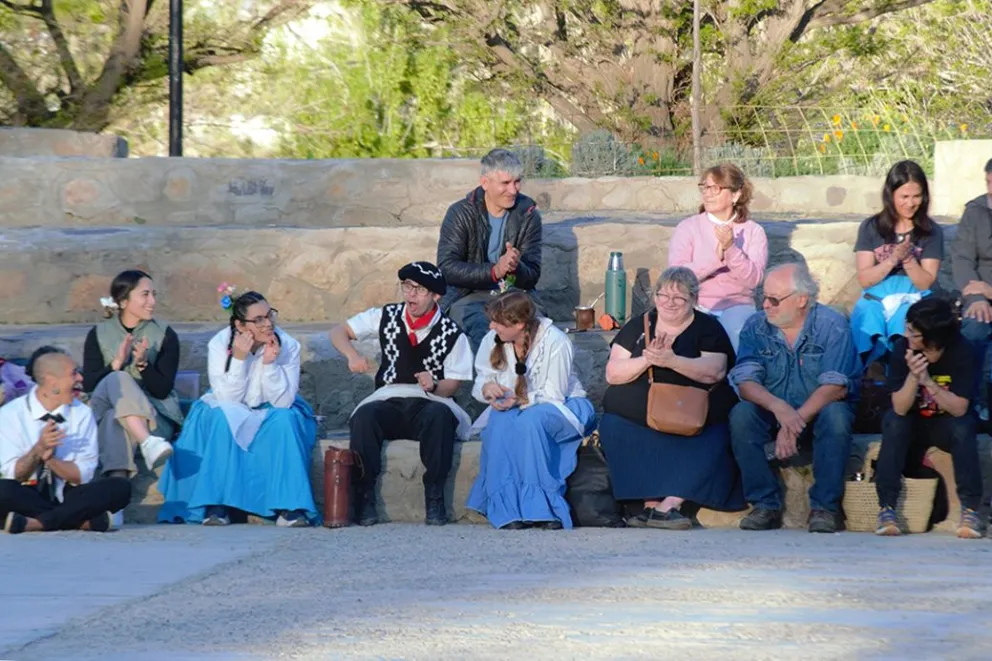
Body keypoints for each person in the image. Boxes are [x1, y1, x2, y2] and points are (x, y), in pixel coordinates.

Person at [598, 267, 745, 530]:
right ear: (654, 297)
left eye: (679, 298)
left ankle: (671, 504)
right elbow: (613, 373)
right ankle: (649, 505)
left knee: (718, 437)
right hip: (637, 415)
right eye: (663, 296)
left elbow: (715, 371)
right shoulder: (638, 326)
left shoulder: (708, 328)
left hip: (695, 415)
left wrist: (672, 361)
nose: (670, 303)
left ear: (694, 300)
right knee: (615, 425)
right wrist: (648, 359)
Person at [330, 261, 474, 526]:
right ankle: (365, 498)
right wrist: (352, 355)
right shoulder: (386, 316)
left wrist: (434, 385)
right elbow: (339, 332)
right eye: (407, 287)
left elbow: (453, 385)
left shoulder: (452, 333)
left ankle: (434, 498)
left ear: (435, 296)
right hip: (389, 397)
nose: (410, 295)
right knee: (364, 416)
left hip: (430, 400)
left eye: (419, 290)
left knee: (440, 416)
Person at [158, 291, 318, 527]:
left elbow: (283, 401)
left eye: (269, 315)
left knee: (285, 420)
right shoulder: (219, 344)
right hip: (229, 402)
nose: (268, 324)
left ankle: (289, 507)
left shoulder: (288, 345)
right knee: (222, 419)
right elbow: (227, 398)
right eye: (259, 320)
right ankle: (217, 504)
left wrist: (269, 365)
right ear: (240, 325)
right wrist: (240, 359)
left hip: (271, 407)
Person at [728, 262, 860, 533]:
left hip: (816, 412)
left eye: (774, 299)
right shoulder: (756, 326)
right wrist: (780, 409)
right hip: (775, 411)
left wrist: (795, 420)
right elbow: (744, 381)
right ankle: (765, 504)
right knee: (741, 415)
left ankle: (825, 507)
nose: (766, 304)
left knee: (837, 415)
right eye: (763, 297)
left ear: (802, 300)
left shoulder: (831, 325)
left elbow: (835, 386)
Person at [467, 291, 595, 530]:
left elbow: (554, 395)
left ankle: (542, 507)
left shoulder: (556, 342)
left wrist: (520, 400)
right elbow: (481, 380)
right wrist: (488, 389)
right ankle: (507, 508)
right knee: (500, 422)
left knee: (530, 422)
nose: (492, 325)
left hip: (564, 407)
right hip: (516, 405)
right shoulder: (492, 339)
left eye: (498, 321)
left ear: (519, 324)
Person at [874, 297, 984, 538]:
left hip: (946, 423)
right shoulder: (904, 348)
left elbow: (960, 408)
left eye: (913, 332)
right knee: (894, 422)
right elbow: (900, 407)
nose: (906, 335)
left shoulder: (961, 351)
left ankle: (970, 509)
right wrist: (914, 376)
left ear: (932, 339)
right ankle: (887, 508)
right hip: (912, 424)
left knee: (963, 427)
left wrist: (928, 382)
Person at [0, 347, 130, 534]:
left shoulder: (82, 413)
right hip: (26, 493)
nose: (80, 379)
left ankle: (36, 523)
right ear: (51, 380)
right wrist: (38, 450)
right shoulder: (10, 414)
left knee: (120, 488)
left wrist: (51, 460)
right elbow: (14, 475)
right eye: (73, 373)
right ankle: (79, 522)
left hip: (69, 494)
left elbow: (83, 474)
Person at [436, 148, 543, 350]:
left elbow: (532, 275)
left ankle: (529, 381)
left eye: (517, 181)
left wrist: (516, 267)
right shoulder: (460, 213)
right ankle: (490, 382)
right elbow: (447, 268)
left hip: (515, 293)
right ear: (485, 183)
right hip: (467, 295)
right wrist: (495, 271)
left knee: (537, 330)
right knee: (486, 335)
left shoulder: (528, 214)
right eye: (505, 183)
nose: (513, 190)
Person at [83, 271, 182, 486]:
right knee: (117, 378)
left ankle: (115, 493)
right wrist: (116, 363)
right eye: (145, 295)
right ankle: (147, 443)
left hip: (154, 419)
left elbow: (163, 390)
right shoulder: (98, 333)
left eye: (153, 294)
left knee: (114, 419)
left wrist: (143, 365)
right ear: (123, 300)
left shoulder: (164, 333)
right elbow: (89, 385)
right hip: (102, 411)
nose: (152, 301)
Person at [850, 160, 943, 367]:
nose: (910, 203)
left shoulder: (931, 232)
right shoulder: (871, 228)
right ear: (891, 195)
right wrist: (893, 259)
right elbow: (865, 279)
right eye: (904, 197)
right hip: (876, 295)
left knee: (907, 323)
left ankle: (900, 370)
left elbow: (925, 283)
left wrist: (908, 259)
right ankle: (869, 372)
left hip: (914, 295)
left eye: (916, 196)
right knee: (867, 321)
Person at [667, 163, 768, 351]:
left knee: (739, 338)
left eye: (715, 188)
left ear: (736, 194)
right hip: (695, 305)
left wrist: (731, 249)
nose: (707, 193)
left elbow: (753, 280)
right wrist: (715, 259)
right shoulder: (688, 227)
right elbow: (676, 276)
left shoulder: (754, 231)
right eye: (704, 187)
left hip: (737, 306)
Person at [950, 157, 992, 400]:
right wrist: (977, 297)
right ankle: (970, 403)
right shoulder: (975, 211)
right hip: (980, 297)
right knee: (974, 327)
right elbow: (963, 258)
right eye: (988, 183)